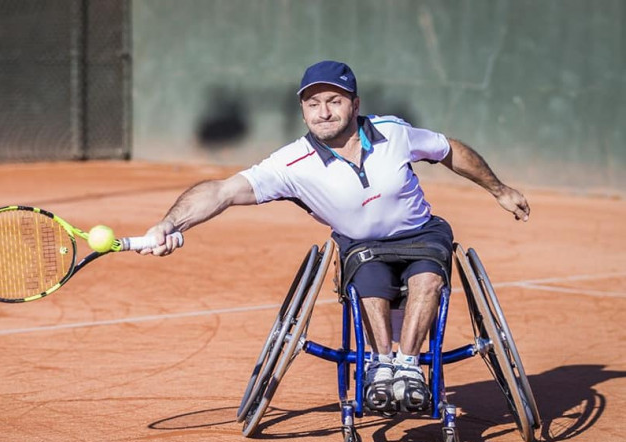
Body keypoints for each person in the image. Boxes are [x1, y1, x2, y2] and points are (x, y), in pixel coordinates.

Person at [139, 60, 530, 412]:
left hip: (420, 234)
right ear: (303, 111)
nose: (323, 112)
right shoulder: (291, 164)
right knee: (368, 282)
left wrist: (499, 189)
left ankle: (407, 368)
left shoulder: (393, 133)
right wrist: (170, 224)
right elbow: (222, 190)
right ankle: (380, 368)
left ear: (354, 105)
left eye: (333, 101)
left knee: (427, 276)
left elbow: (449, 149)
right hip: (362, 248)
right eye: (313, 104)